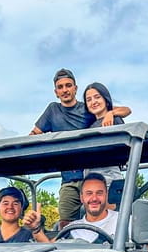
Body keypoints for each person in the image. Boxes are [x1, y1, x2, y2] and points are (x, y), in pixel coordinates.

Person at [29, 69, 131, 227]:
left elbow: (126, 110)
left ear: (75, 88)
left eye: (68, 85)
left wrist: (111, 113)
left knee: (105, 218)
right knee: (65, 222)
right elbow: (34, 134)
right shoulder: (52, 110)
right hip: (69, 178)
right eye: (61, 87)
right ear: (56, 92)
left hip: (95, 176)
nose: (65, 90)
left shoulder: (89, 109)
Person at [83, 82, 125, 190]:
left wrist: (111, 113)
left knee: (111, 207)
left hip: (109, 178)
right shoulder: (90, 126)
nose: (93, 102)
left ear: (105, 100)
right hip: (90, 179)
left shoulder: (114, 119)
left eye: (97, 97)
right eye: (89, 100)